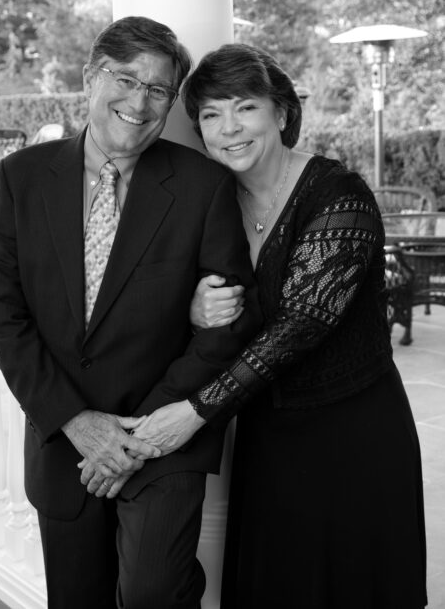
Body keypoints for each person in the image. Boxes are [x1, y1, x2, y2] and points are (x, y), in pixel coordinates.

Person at [119, 43, 428, 608]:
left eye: (245, 108)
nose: (229, 128)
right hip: (269, 436)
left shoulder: (339, 195)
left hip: (354, 432)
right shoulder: (210, 204)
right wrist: (192, 308)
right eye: (211, 114)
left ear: (281, 113)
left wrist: (196, 411)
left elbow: (300, 325)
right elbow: (155, 296)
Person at [0, 20, 261, 609]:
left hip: (165, 434)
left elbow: (228, 322)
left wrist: (139, 437)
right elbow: (3, 309)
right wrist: (76, 422)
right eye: (125, 79)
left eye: (158, 90)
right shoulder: (22, 178)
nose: (139, 101)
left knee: (154, 592)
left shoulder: (204, 185)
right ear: (90, 77)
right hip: (64, 442)